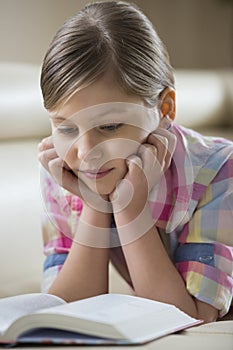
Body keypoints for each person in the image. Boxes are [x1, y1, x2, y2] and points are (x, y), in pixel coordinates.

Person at [38, 0, 233, 323]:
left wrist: (131, 212)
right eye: (66, 127)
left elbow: (193, 319)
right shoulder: (64, 168)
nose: (85, 152)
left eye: (110, 126)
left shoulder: (218, 170)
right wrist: (96, 206)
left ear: (165, 109)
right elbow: (67, 316)